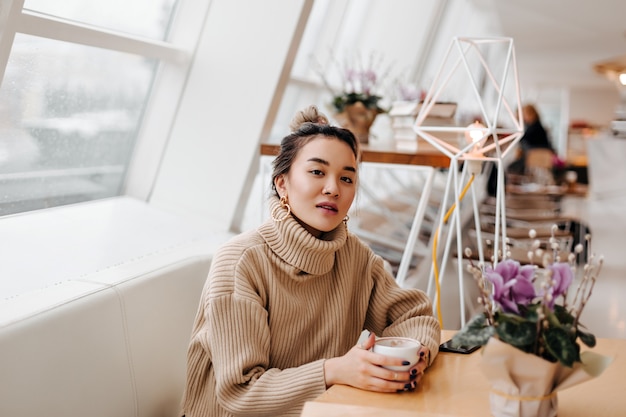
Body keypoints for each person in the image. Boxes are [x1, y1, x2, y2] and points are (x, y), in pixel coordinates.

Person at [180, 105, 440, 416]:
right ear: (282, 183)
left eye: (347, 178)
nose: (333, 189)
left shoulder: (354, 256)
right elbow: (241, 393)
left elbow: (416, 316)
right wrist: (335, 371)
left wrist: (416, 354)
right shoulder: (241, 262)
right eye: (317, 172)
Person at [507, 103, 556, 175]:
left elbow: (522, 138)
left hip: (537, 155)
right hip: (534, 155)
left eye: (525, 115)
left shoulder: (536, 127)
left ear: (532, 114)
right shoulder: (532, 126)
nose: (524, 117)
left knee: (512, 168)